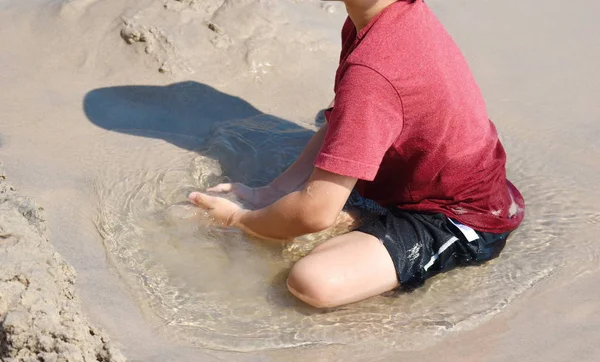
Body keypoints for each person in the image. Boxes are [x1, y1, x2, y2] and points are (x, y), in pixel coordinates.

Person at [188, 0, 525, 308]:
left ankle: (370, 221)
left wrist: (240, 219)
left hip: (462, 217)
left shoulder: (371, 70)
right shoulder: (389, 18)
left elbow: (313, 212)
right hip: (454, 173)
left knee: (313, 282)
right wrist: (274, 191)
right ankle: (363, 215)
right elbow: (343, 120)